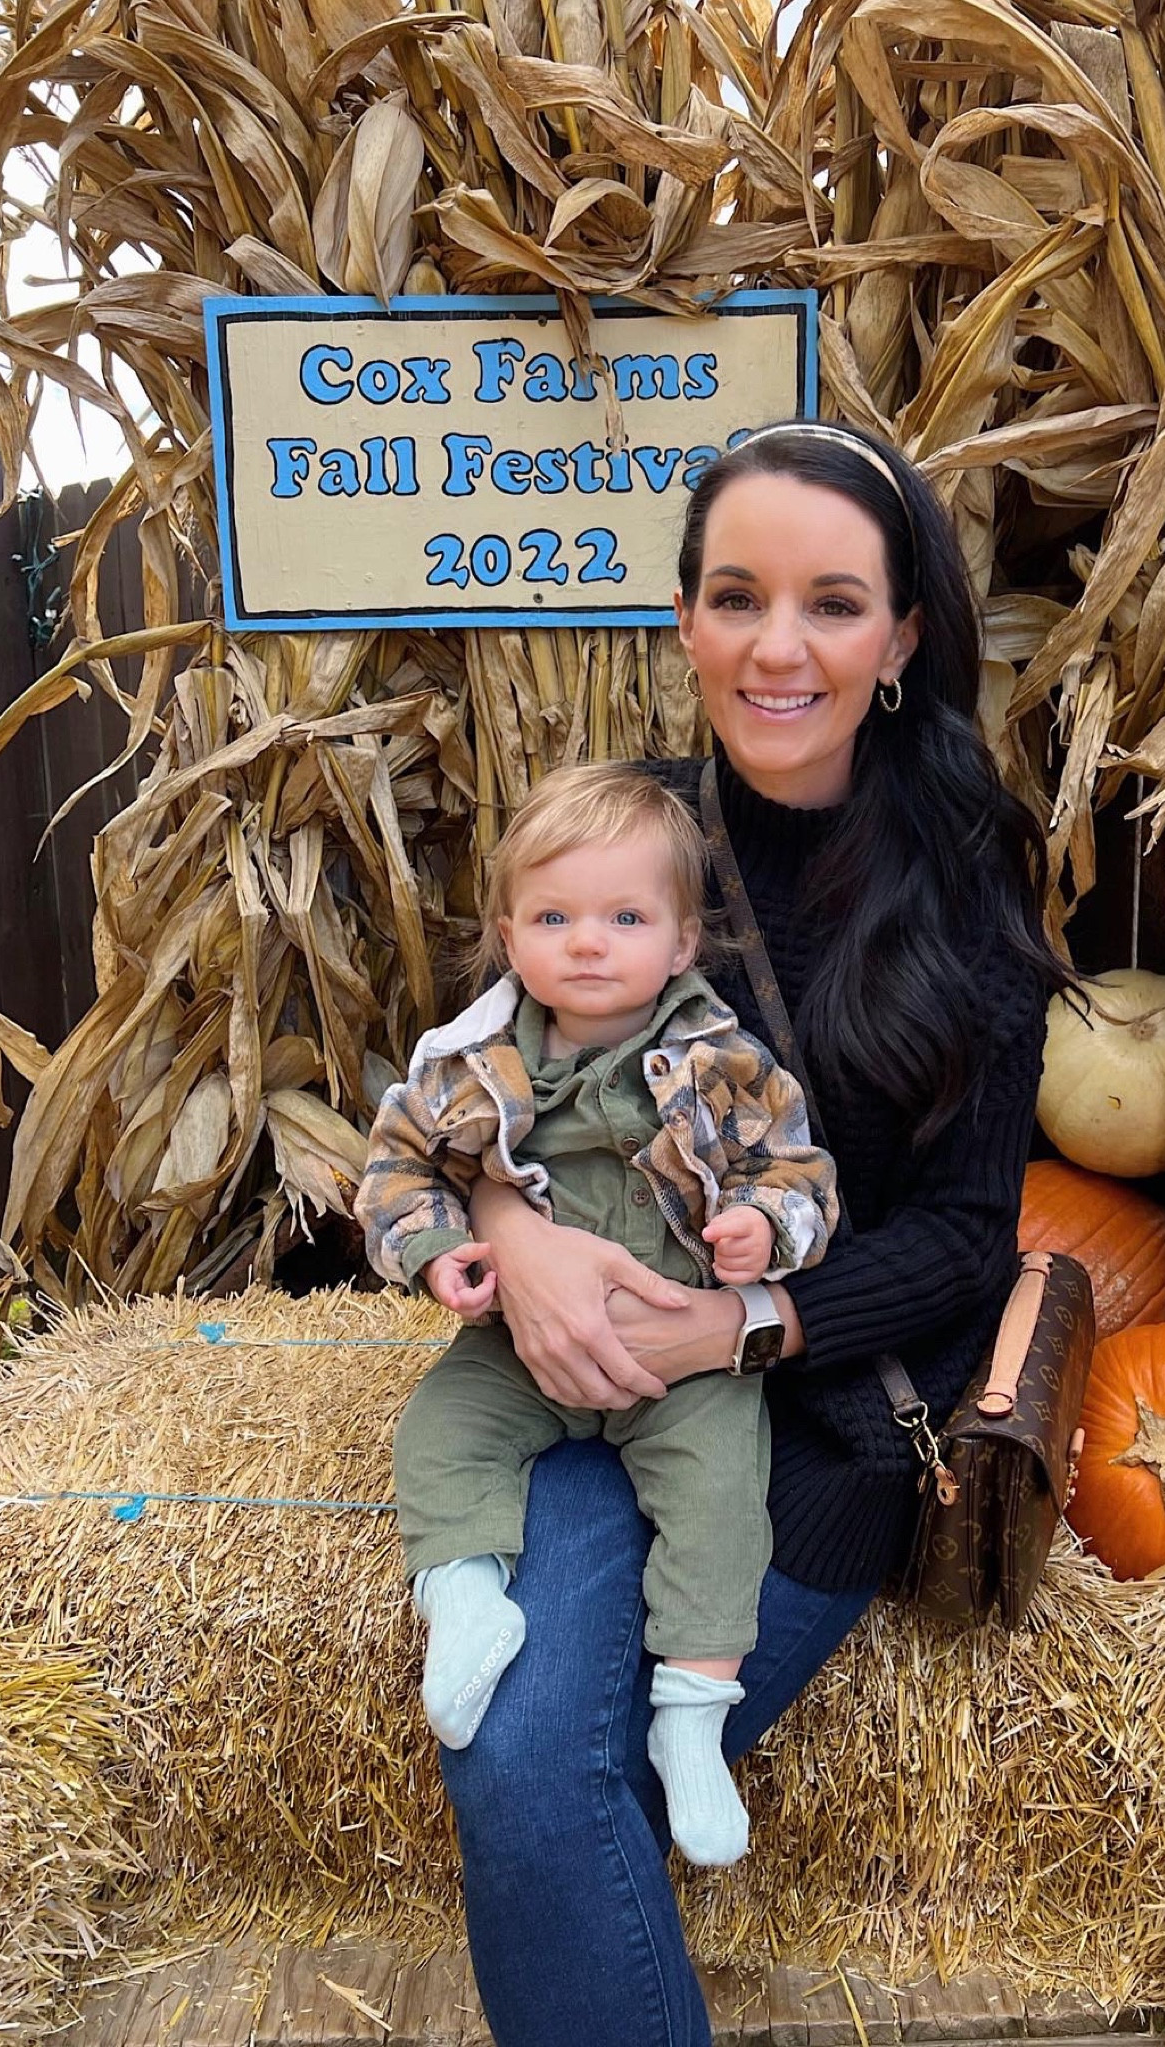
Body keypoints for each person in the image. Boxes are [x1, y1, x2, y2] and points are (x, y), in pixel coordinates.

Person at [427, 420, 1069, 2046]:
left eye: (831, 604)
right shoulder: (623, 837)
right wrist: (513, 1225)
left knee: (596, 1787)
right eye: (736, 598)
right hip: (594, 1396)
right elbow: (475, 1088)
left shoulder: (963, 876)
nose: (777, 647)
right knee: (513, 1760)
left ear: (899, 636)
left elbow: (964, 1237)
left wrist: (739, 1321)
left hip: (817, 1422)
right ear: (684, 618)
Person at [356, 763, 839, 1867]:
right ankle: (466, 1602)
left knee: (720, 1498)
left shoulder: (722, 1063)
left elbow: (799, 1172)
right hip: (519, 1347)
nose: (587, 943)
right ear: (507, 936)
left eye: (624, 918)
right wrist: (439, 1254)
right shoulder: (467, 1067)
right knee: (438, 1432)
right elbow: (395, 1175)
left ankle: (691, 1718)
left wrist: (762, 1227)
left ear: (679, 943)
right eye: (553, 919)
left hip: (681, 1360)